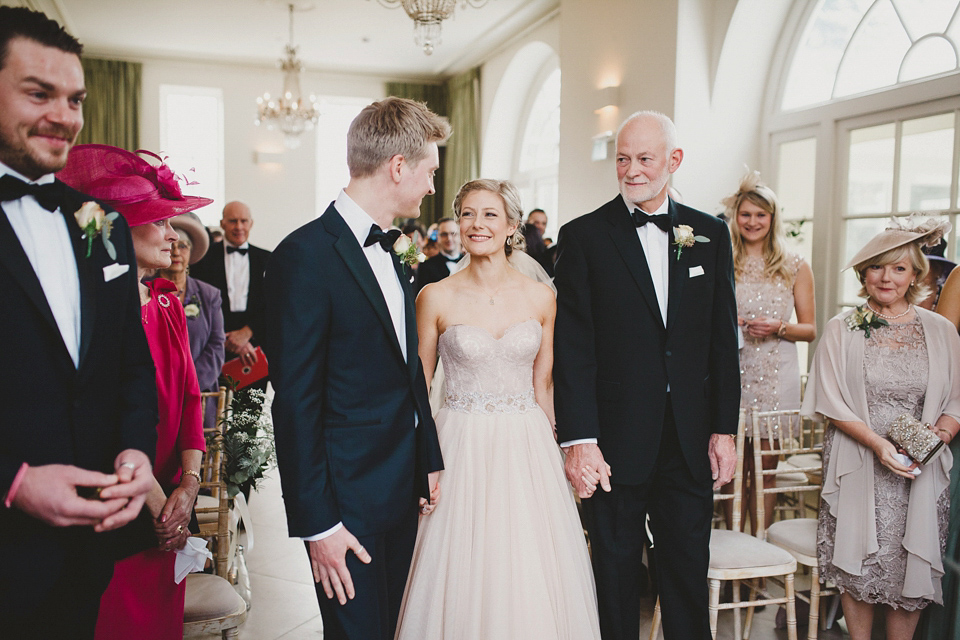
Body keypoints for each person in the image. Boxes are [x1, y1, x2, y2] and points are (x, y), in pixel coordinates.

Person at [263, 97, 446, 640]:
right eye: (430, 172)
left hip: (401, 489)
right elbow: (294, 401)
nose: (432, 187)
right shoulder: (304, 256)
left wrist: (427, 457)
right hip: (345, 504)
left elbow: (407, 370)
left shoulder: (394, 250)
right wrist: (319, 525)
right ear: (398, 167)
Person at [553, 110, 740, 640]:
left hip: (688, 439)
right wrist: (581, 440)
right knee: (613, 573)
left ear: (674, 161)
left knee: (685, 570)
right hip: (613, 442)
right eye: (622, 159)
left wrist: (724, 430)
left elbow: (722, 343)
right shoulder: (584, 236)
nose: (631, 170)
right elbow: (574, 348)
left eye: (643, 158)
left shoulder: (709, 234)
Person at [0, 9, 157, 638]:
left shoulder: (104, 226)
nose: (65, 115)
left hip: (82, 558)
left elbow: (129, 366)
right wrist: (14, 482)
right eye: (39, 93)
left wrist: (135, 450)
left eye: (75, 98)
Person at [395, 180, 601, 639]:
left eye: (490, 214)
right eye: (467, 214)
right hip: (458, 441)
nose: (476, 224)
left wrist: (566, 451)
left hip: (525, 445)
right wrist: (419, 458)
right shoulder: (435, 296)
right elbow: (418, 388)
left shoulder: (541, 296)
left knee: (526, 562)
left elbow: (543, 386)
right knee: (461, 563)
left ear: (511, 226)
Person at [57, 144, 209, 639]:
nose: (174, 236)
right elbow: (107, 419)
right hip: (121, 504)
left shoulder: (167, 304)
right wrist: (159, 504)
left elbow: (190, 400)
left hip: (170, 504)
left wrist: (188, 486)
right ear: (119, 226)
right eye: (161, 222)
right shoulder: (94, 311)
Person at [802, 215, 960, 640]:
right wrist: (878, 445)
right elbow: (830, 400)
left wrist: (936, 438)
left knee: (910, 569)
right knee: (860, 567)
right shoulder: (843, 329)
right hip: (860, 462)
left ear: (915, 275)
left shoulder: (941, 331)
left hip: (919, 472)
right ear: (862, 273)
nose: (886, 277)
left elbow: (956, 400)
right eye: (876, 267)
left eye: (898, 268)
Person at [722, 170, 815, 531]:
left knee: (766, 472)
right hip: (734, 369)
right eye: (746, 214)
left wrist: (778, 327)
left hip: (776, 376)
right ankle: (732, 547)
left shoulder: (794, 265)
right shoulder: (723, 260)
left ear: (773, 219)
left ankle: (759, 548)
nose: (752, 222)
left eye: (761, 215)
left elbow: (810, 329)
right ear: (735, 217)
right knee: (730, 471)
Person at [159, 212, 226, 431]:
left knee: (200, 461)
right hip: (156, 394)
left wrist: (187, 384)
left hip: (200, 396)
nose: (177, 252)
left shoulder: (209, 295)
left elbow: (216, 345)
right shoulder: (142, 291)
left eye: (184, 246)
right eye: (173, 245)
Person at [190, 200, 270, 370]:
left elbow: (275, 303)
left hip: (255, 350)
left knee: (253, 397)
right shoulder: (203, 259)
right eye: (233, 221)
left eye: (244, 221)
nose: (239, 227)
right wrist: (223, 338)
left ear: (251, 223)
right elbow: (198, 303)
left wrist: (248, 333)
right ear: (222, 224)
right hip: (212, 347)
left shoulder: (267, 259)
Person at [415, 217, 462, 292]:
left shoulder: (471, 263)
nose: (449, 238)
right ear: (438, 237)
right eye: (444, 234)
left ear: (460, 236)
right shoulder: (426, 266)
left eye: (453, 234)